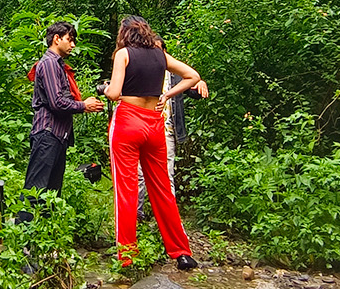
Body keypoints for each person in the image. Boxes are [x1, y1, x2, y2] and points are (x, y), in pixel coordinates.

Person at [104, 15, 207, 270]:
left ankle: (127, 257)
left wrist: (104, 89)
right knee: (162, 189)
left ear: (125, 33)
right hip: (154, 123)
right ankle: (182, 252)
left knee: (126, 190)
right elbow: (192, 76)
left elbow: (115, 93)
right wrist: (167, 94)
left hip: (128, 121)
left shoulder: (123, 54)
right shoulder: (160, 55)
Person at [22, 20, 104, 219]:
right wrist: (84, 105)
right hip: (47, 133)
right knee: (36, 190)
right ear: (56, 39)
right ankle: (23, 239)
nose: (73, 45)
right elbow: (56, 102)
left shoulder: (58, 65)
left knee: (51, 192)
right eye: (70, 40)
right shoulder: (50, 63)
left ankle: (44, 238)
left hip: (57, 135)